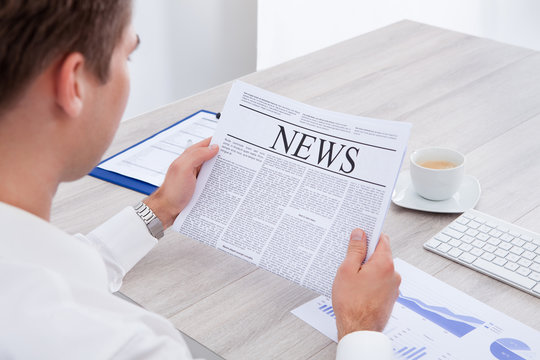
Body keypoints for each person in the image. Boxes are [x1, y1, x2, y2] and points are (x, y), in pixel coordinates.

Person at [0, 1, 401, 359]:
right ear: (73, 84)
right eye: (128, 56)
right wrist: (361, 328)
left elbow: (52, 271)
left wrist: (159, 209)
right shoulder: (130, 347)